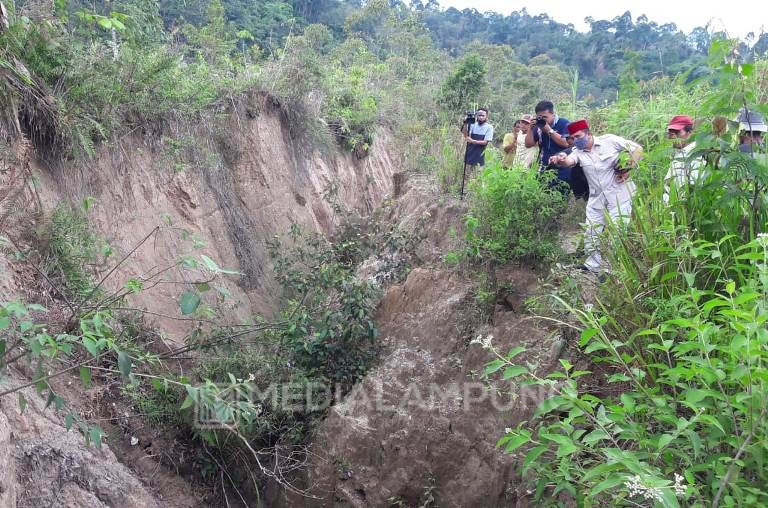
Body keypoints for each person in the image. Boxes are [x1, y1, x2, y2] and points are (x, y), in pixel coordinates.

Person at [549, 119, 643, 274]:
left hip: (620, 194)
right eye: (572, 138)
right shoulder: (577, 152)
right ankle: (592, 265)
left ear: (588, 133)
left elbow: (638, 148)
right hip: (597, 196)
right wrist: (560, 160)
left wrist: (629, 168)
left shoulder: (610, 141)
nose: (576, 140)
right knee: (591, 231)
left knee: (617, 232)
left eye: (578, 136)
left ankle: (615, 269)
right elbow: (569, 161)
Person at [525, 100, 570, 181]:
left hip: (562, 168)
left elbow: (566, 143)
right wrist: (530, 129)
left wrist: (549, 130)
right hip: (543, 168)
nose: (543, 120)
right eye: (540, 117)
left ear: (553, 114)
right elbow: (528, 144)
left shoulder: (564, 123)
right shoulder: (538, 126)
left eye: (545, 117)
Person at [663, 115, 702, 203]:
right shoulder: (679, 153)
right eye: (671, 133)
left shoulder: (696, 155)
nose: (673, 137)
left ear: (690, 133)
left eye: (677, 132)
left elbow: (694, 188)